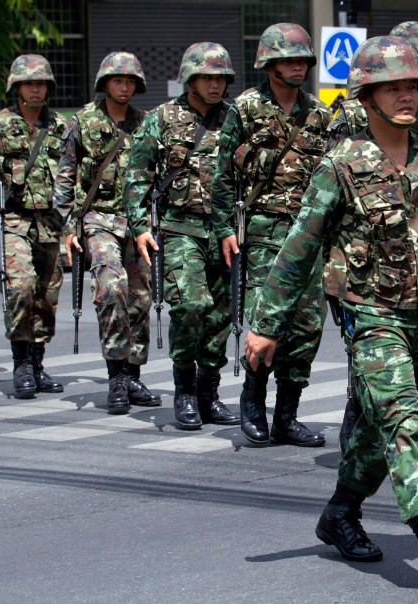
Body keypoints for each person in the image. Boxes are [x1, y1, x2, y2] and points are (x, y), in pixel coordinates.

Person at [244, 36, 418, 594]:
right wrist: (265, 324)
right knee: (402, 421)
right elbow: (299, 246)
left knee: (400, 424)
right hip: (371, 313)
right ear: (367, 96)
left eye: (412, 86)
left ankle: (340, 512)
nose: (406, 96)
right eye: (392, 87)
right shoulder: (342, 165)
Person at [327, 21, 418, 477]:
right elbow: (336, 189)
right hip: (367, 258)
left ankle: (416, 438)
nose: (410, 91)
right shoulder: (350, 114)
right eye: (400, 80)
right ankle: (369, 430)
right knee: (376, 360)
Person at [211, 23, 332, 447]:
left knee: (306, 326)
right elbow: (223, 174)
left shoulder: (319, 114)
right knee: (268, 319)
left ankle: (287, 415)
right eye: (289, 59)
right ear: (270, 64)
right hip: (261, 231)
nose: (298, 66)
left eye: (302, 59)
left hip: (309, 236)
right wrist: (225, 228)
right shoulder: (243, 110)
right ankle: (252, 398)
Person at [125, 42, 239, 429]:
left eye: (221, 77)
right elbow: (138, 173)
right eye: (207, 77)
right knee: (191, 305)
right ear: (190, 79)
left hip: (225, 232)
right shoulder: (163, 118)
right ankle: (185, 390)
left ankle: (209, 391)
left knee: (221, 313)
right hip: (179, 228)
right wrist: (140, 226)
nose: (215, 84)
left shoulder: (235, 118)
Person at [53, 51, 159, 414]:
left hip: (138, 223)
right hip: (98, 220)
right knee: (112, 289)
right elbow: (64, 179)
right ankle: (116, 375)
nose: (124, 86)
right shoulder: (81, 122)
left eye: (130, 80)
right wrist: (69, 228)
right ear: (105, 83)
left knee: (141, 298)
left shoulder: (146, 123)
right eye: (118, 80)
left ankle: (133, 373)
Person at [0, 55, 68, 399]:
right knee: (19, 286)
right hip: (12, 219)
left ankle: (38, 361)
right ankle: (21, 362)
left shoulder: (62, 128)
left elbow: (78, 170)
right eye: (28, 83)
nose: (35, 89)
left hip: (50, 223)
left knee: (47, 296)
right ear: (17, 87)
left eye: (40, 83)